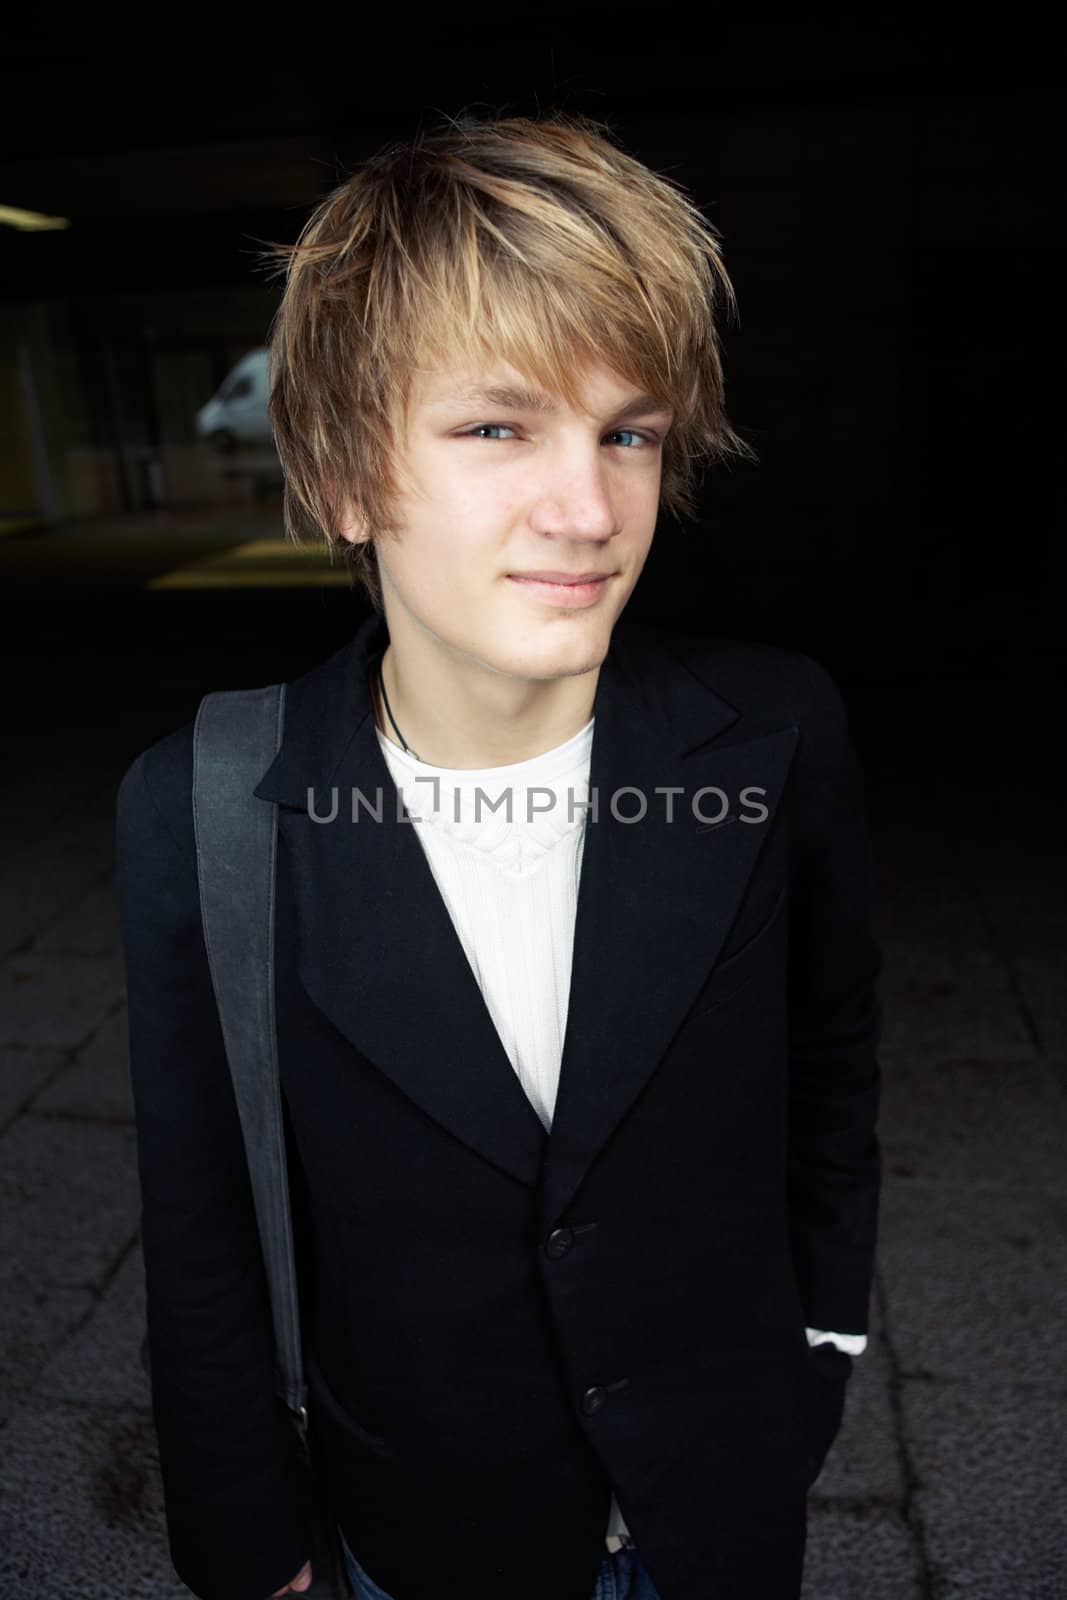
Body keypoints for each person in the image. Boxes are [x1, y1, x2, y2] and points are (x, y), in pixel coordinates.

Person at [115, 111, 882, 1600]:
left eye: (628, 432)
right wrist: (250, 1544)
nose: (591, 510)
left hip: (720, 1502)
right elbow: (204, 1217)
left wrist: (821, 1347)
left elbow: (830, 1064)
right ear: (346, 480)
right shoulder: (201, 804)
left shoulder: (777, 732)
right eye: (495, 426)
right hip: (422, 1531)